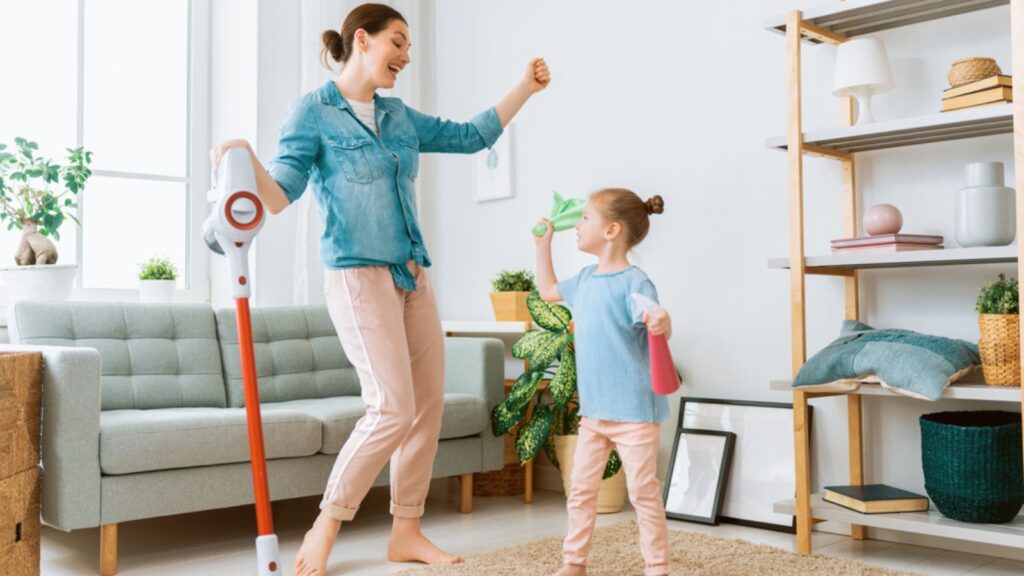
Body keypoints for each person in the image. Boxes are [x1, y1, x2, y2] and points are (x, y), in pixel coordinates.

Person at [210, 4, 550, 575]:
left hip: (412, 274)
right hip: (357, 277)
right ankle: (326, 525)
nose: (406, 56)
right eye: (398, 42)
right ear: (361, 41)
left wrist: (525, 88)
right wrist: (242, 154)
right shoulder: (312, 113)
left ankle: (406, 532)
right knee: (391, 407)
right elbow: (277, 196)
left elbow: (470, 137)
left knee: (425, 409)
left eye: (410, 46)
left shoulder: (396, 116)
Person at [534, 189, 672, 576]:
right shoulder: (583, 280)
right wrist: (543, 245)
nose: (577, 226)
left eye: (585, 219)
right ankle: (574, 563)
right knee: (580, 491)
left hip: (635, 414)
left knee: (643, 493)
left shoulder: (635, 283)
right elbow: (547, 291)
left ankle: (657, 568)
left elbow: (656, 318)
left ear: (611, 230)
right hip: (594, 413)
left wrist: (662, 321)